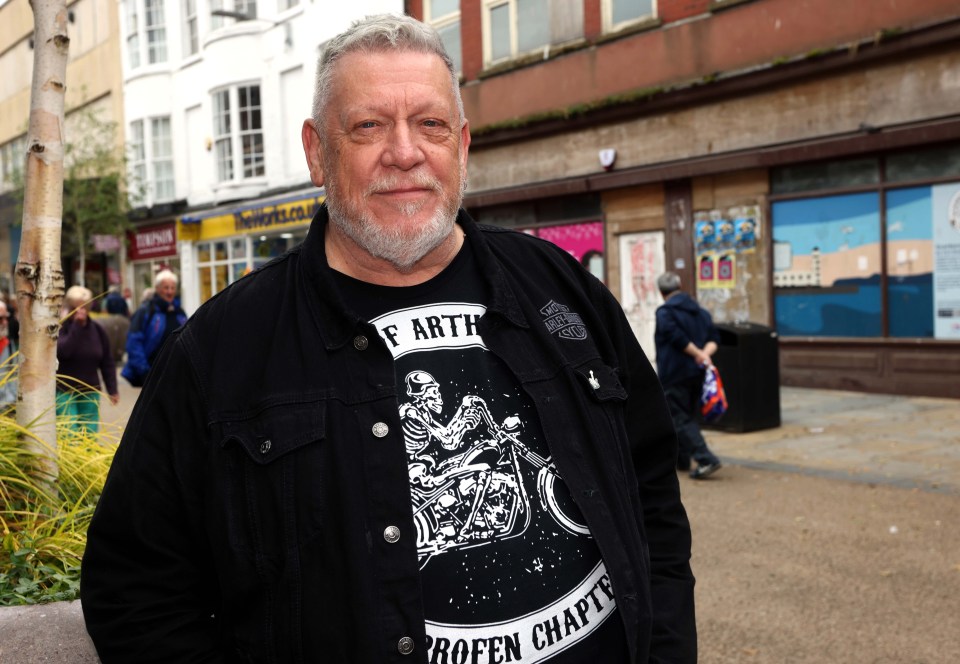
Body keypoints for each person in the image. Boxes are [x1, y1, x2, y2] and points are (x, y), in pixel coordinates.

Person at [82, 15, 696, 663]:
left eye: (429, 124)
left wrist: (666, 649)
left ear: (461, 145)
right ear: (318, 151)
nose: (404, 152)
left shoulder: (561, 290)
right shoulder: (221, 348)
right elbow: (136, 588)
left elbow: (650, 487)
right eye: (369, 126)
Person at [654, 271, 723, 479]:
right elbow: (714, 338)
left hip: (675, 372)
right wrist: (704, 355)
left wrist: (697, 354)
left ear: (661, 292)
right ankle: (681, 459)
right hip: (697, 373)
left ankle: (705, 458)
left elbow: (677, 338)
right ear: (680, 285)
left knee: (678, 417)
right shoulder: (701, 312)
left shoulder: (665, 312)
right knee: (687, 415)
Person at [56, 286, 119, 433]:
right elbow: (64, 351)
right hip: (65, 391)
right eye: (75, 307)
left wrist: (112, 389)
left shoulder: (98, 330)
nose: (80, 311)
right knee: (69, 433)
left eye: (84, 307)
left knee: (89, 433)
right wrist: (76, 327)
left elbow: (107, 361)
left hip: (90, 390)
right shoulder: (61, 329)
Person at [120, 270, 187, 387]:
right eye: (166, 288)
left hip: (176, 374)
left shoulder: (180, 313)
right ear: (157, 289)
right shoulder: (145, 311)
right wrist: (145, 372)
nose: (170, 291)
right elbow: (133, 343)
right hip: (152, 375)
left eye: (172, 288)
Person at [0, 301, 17, 411]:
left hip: (6, 408)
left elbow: (14, 375)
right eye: (0, 319)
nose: (5, 323)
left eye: (6, 318)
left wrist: (12, 400)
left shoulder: (9, 344)